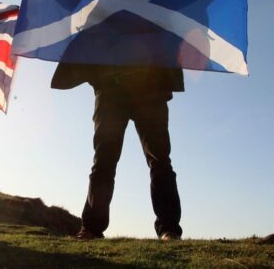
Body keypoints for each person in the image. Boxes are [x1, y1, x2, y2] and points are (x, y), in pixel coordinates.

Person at [51, 63, 184, 240]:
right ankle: (92, 229)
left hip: (150, 88)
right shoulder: (100, 34)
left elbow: (169, 41)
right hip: (110, 89)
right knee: (104, 161)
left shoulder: (156, 34)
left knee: (159, 160)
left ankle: (169, 229)